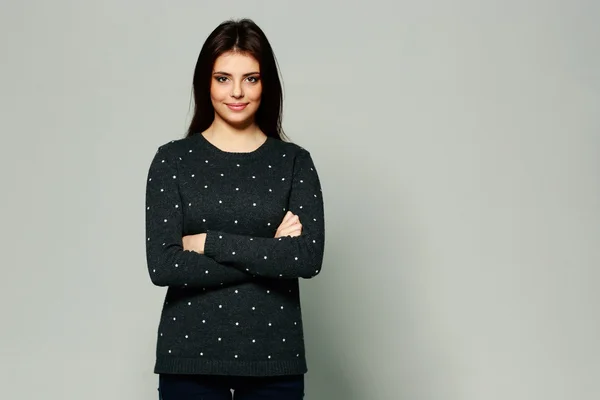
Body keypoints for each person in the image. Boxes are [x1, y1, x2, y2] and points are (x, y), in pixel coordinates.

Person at [144, 18, 325, 399]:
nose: (237, 92)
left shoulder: (294, 162)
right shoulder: (172, 161)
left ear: (266, 84)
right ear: (205, 83)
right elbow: (164, 266)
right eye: (223, 78)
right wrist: (269, 252)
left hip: (275, 356)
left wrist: (206, 242)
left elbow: (306, 259)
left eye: (251, 78)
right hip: (189, 357)